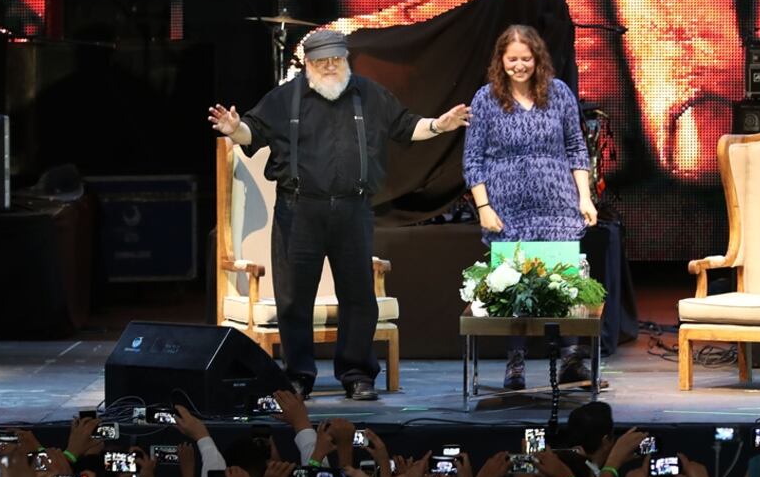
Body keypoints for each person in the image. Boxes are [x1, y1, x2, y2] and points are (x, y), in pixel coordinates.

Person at [207, 30, 470, 401]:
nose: (330, 66)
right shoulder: (286, 98)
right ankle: (298, 375)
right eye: (322, 60)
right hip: (299, 211)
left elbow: (407, 126)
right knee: (294, 297)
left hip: (352, 209)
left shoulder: (369, 94)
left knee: (359, 296)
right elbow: (255, 132)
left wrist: (439, 125)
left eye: (337, 59)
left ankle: (357, 374)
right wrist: (237, 130)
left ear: (346, 59)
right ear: (308, 63)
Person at [462, 24, 597, 390]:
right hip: (507, 208)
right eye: (512, 60)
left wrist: (584, 196)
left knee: (564, 285)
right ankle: (515, 365)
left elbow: (575, 147)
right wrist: (484, 207)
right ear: (500, 61)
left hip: (556, 203)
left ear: (537, 59)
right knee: (513, 287)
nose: (519, 66)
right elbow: (473, 159)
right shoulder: (486, 99)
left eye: (525, 59)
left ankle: (571, 359)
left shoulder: (559, 94)